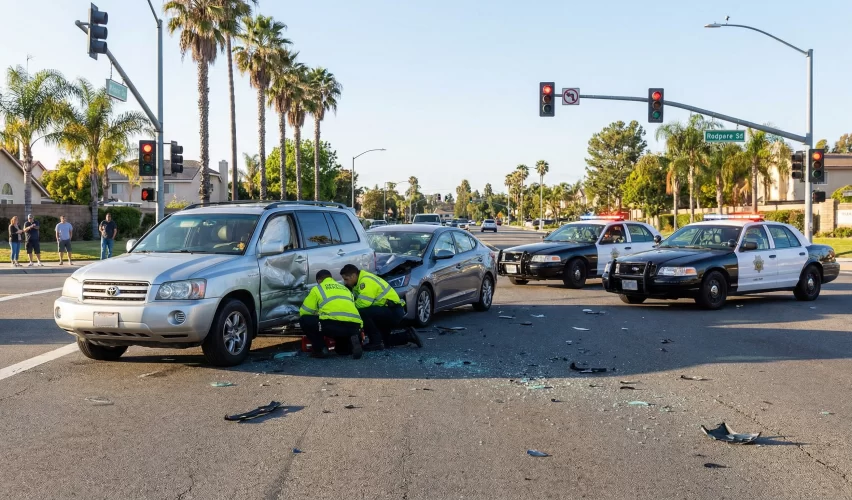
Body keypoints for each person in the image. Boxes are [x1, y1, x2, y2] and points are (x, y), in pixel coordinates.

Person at [340, 264, 422, 351]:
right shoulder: (360, 281)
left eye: (346, 279)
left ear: (353, 276)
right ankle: (408, 336)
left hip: (392, 310)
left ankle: (375, 342)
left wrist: (348, 309)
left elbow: (363, 303)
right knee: (385, 341)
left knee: (362, 312)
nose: (345, 282)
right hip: (388, 310)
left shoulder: (365, 281)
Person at [299, 269, 364, 359]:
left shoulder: (318, 288)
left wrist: (317, 313)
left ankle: (320, 349)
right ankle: (352, 341)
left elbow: (305, 311)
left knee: (305, 319)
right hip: (354, 325)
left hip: (332, 325)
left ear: (319, 280)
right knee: (342, 351)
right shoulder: (345, 289)